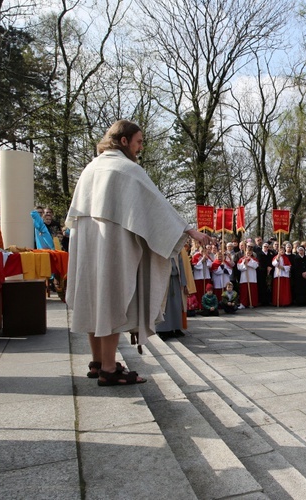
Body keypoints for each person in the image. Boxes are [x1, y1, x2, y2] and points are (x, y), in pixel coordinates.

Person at [66, 120, 211, 386]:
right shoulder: (126, 169)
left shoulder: (91, 168)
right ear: (124, 141)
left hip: (87, 245)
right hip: (110, 245)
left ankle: (97, 362)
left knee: (93, 298)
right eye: (139, 142)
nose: (140, 148)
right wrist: (189, 230)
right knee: (110, 298)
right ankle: (110, 370)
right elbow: (158, 206)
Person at [156, 254, 188, 340]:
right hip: (164, 282)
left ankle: (174, 327)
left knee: (176, 306)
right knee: (165, 307)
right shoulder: (161, 251)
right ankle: (163, 330)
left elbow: (181, 267)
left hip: (176, 281)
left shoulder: (177, 253)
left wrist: (184, 284)